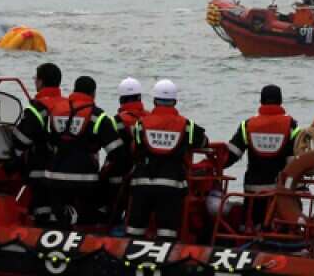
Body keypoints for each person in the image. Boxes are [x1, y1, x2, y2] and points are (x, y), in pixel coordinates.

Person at [127, 80, 209, 241]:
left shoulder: (140, 124)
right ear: (175, 101)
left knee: (134, 233)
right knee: (167, 234)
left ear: (154, 101)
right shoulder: (187, 126)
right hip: (171, 186)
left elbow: (135, 150)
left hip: (142, 184)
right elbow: (204, 142)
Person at [44, 76, 124, 226]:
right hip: (84, 178)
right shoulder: (97, 116)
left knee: (57, 216)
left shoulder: (56, 111)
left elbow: (51, 141)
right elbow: (116, 151)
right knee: (86, 218)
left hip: (54, 176)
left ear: (74, 90)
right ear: (93, 93)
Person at [224, 85, 298, 228]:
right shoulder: (291, 126)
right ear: (281, 101)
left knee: (250, 226)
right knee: (278, 226)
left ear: (261, 101)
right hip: (278, 193)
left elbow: (231, 156)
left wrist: (212, 164)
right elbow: (295, 161)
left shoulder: (247, 125)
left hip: (253, 191)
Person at [12, 62, 65, 224]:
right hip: (65, 167)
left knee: (41, 207)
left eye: (36, 79)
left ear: (41, 82)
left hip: (41, 167)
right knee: (58, 208)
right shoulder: (67, 104)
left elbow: (22, 140)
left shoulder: (37, 107)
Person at [102, 77, 149, 219]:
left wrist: (102, 174)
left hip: (120, 179)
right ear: (140, 98)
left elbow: (113, 155)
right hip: (146, 176)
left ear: (121, 100)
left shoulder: (114, 121)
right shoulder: (151, 118)